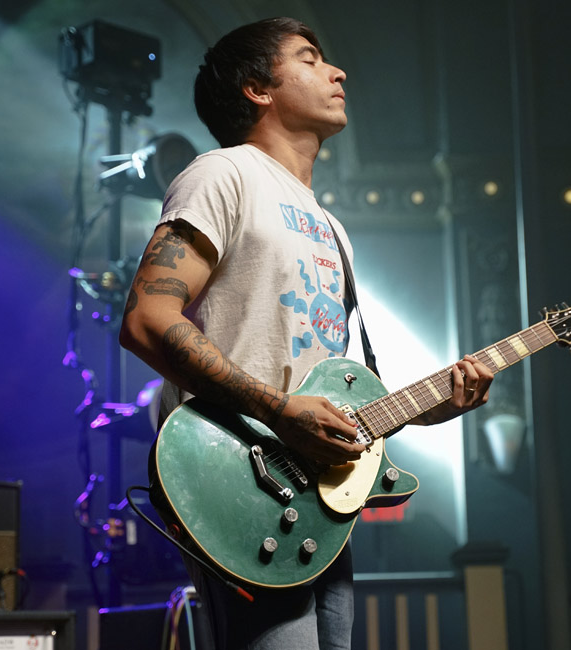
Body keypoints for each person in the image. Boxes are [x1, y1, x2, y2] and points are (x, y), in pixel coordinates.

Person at [119, 17, 494, 650]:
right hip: (235, 480)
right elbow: (146, 320)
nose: (337, 71)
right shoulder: (223, 174)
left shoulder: (332, 230)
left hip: (311, 503)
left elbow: (328, 395)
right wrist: (278, 410)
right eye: (311, 59)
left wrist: (427, 410)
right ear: (258, 89)